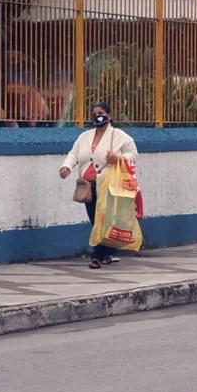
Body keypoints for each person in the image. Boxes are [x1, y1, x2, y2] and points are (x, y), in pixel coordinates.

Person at [59, 102, 138, 269]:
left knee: (101, 221)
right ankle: (108, 252)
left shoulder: (119, 136)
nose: (97, 116)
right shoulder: (85, 137)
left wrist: (117, 159)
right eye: (94, 113)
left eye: (101, 113)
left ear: (109, 116)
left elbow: (133, 155)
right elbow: (74, 154)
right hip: (88, 186)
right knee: (95, 221)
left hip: (108, 186)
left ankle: (97, 256)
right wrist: (66, 167)